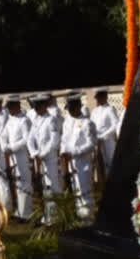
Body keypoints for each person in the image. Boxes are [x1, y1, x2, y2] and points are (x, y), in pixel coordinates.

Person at [60, 92, 97, 220]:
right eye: (68, 109)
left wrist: (74, 151)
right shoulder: (67, 122)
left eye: (71, 108)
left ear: (78, 106)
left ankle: (88, 219)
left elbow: (91, 144)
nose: (69, 111)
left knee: (85, 191)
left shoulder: (87, 123)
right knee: (76, 191)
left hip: (83, 164)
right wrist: (63, 152)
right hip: (70, 164)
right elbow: (64, 140)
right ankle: (79, 216)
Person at [27, 93, 61, 224]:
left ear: (44, 105)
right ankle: (47, 215)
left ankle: (55, 216)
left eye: (37, 105)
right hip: (39, 159)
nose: (35, 108)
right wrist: (34, 153)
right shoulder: (36, 120)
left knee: (52, 186)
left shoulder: (51, 120)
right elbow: (30, 139)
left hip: (50, 159)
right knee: (43, 187)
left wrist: (42, 154)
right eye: (34, 106)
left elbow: (54, 141)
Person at [0, 94, 33, 222]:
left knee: (25, 183)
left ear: (17, 106)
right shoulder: (10, 120)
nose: (9, 110)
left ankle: (26, 213)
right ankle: (20, 211)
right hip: (13, 156)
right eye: (8, 108)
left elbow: (26, 139)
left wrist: (12, 147)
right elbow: (3, 136)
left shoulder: (24, 120)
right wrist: (5, 147)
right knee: (17, 182)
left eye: (11, 107)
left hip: (22, 155)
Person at [91, 88, 120, 178]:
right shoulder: (95, 111)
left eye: (100, 97)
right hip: (97, 142)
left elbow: (115, 125)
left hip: (108, 141)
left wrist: (103, 137)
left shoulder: (110, 109)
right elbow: (91, 126)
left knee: (111, 164)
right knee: (100, 166)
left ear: (105, 96)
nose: (98, 99)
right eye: (97, 97)